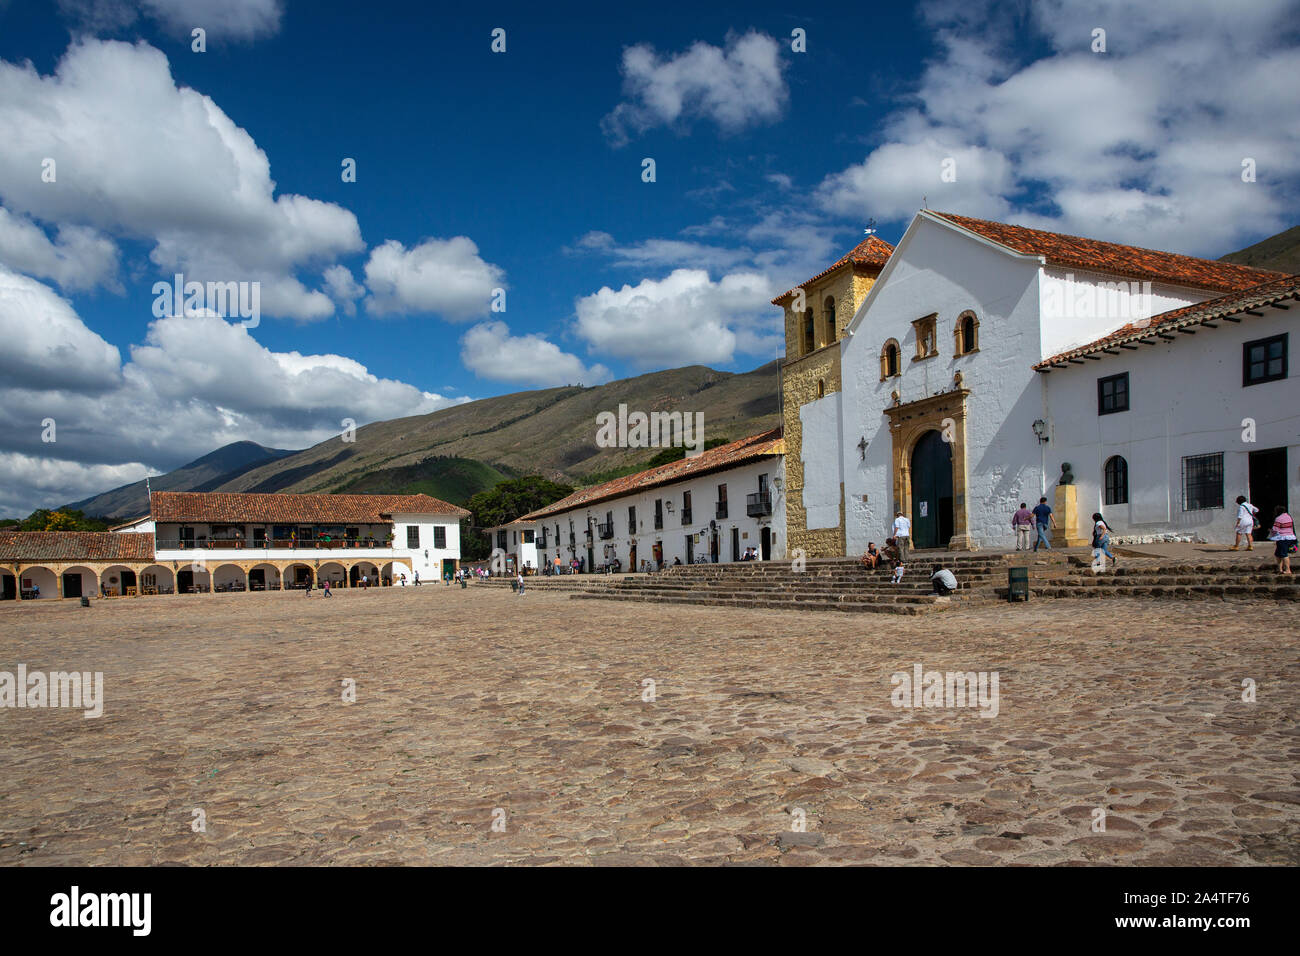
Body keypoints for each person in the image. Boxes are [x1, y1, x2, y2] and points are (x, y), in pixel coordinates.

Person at [1268, 505, 1295, 575]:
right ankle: (1279, 569)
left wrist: (1270, 531)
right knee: (1278, 554)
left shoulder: (1278, 518)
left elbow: (1275, 529)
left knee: (1283, 554)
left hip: (1282, 537)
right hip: (1290, 536)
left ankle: (1288, 570)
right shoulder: (1288, 516)